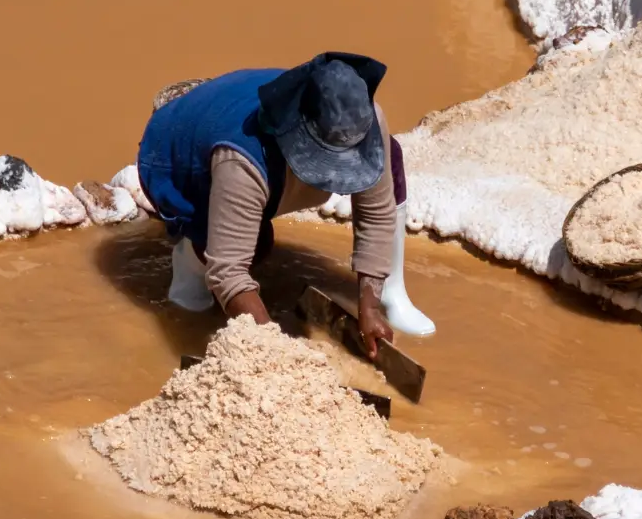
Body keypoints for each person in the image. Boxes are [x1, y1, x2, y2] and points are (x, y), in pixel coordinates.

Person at [135, 51, 434, 355]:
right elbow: (229, 272)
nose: (335, 176)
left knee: (389, 156)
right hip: (174, 161)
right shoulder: (241, 160)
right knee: (252, 250)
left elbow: (376, 215)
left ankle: (393, 296)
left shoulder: (362, 118)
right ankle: (189, 256)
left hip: (230, 111)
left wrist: (370, 307)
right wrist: (276, 352)